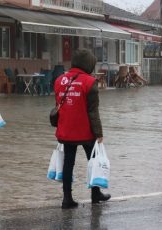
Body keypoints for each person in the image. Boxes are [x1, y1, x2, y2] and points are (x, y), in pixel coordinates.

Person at [54, 49, 111, 209]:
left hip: (66, 130)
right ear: (88, 64)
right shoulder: (89, 82)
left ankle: (67, 199)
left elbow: (58, 106)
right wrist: (99, 133)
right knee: (93, 162)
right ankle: (95, 194)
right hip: (86, 131)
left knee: (68, 163)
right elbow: (93, 110)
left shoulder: (59, 80)